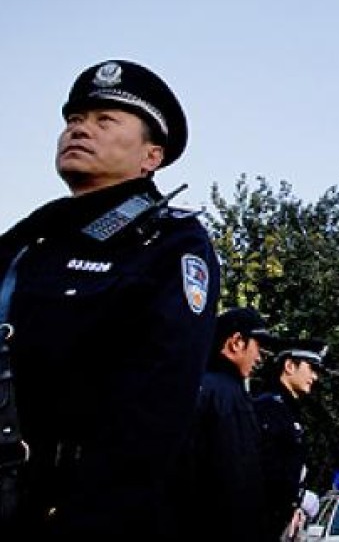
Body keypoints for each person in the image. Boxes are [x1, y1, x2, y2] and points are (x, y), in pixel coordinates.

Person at [0, 59, 220, 541]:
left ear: (151, 156)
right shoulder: (30, 237)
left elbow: (155, 412)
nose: (79, 130)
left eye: (105, 121)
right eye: (75, 120)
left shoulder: (171, 244)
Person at [171, 306, 278, 542]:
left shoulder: (191, 386)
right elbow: (236, 481)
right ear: (236, 342)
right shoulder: (229, 397)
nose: (260, 357)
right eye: (258, 346)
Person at [254, 338, 329, 542]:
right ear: (289, 366)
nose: (314, 376)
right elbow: (266, 471)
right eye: (311, 368)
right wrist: (292, 503)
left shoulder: (288, 410)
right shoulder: (269, 408)